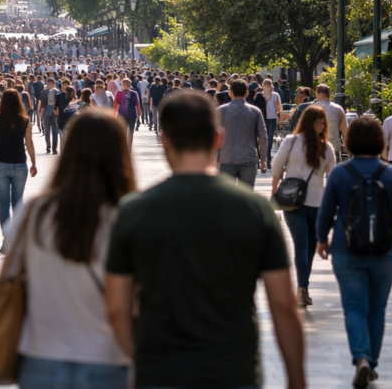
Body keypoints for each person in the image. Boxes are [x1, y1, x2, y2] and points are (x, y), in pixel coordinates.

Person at [105, 91, 305, 389]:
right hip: (233, 371)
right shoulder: (254, 210)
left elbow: (117, 308)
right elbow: (282, 305)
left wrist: (141, 361)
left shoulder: (134, 212)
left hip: (161, 371)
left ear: (164, 141)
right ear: (218, 139)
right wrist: (296, 380)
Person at [5, 110, 134, 389]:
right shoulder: (126, 217)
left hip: (40, 357)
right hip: (106, 359)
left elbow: (8, 278)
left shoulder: (34, 212)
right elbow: (121, 304)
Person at [316, 117, 392, 388]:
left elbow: (326, 211)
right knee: (377, 309)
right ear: (379, 141)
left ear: (349, 142)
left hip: (346, 250)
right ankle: (371, 363)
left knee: (354, 307)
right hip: (387, 252)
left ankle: (360, 356)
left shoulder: (340, 173)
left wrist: (322, 239)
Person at [270, 105, 336, 307]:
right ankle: (303, 287)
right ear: (310, 122)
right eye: (319, 121)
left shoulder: (292, 142)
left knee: (304, 246)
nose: (322, 124)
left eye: (323, 121)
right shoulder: (327, 147)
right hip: (314, 202)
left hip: (294, 201)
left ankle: (302, 287)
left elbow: (276, 166)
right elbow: (331, 176)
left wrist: (277, 187)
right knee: (304, 246)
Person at [0, 89, 38, 253]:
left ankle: (7, 240)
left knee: (4, 204)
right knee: (18, 203)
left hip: (0, 164)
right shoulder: (25, 120)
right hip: (20, 163)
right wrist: (33, 162)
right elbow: (29, 144)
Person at [217, 79, 268, 189]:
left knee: (227, 196)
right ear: (247, 93)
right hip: (248, 158)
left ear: (230, 92)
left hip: (226, 159)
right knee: (246, 197)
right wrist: (263, 158)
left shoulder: (221, 110)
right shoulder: (255, 111)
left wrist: (214, 157)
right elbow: (263, 136)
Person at [314, 84, 349, 160]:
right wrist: (349, 152)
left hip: (315, 150)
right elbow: (345, 133)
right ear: (329, 94)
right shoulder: (338, 109)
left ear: (316, 93)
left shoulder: (311, 109)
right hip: (334, 150)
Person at [114, 78, 141, 148]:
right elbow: (137, 105)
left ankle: (124, 147)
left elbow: (115, 105)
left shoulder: (119, 93)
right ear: (130, 85)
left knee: (123, 132)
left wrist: (114, 115)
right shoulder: (134, 93)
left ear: (122, 84)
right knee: (131, 131)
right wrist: (139, 116)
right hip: (132, 115)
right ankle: (129, 147)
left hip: (121, 115)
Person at [261, 78, 283, 163]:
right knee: (265, 137)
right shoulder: (261, 95)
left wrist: (277, 106)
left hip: (273, 118)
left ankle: (268, 155)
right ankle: (265, 155)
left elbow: (279, 109)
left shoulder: (275, 95)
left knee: (270, 137)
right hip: (264, 118)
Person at [39, 78, 62, 155]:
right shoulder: (43, 92)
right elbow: (41, 102)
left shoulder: (57, 91)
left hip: (55, 112)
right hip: (46, 112)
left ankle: (54, 148)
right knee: (47, 130)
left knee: (55, 130)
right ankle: (48, 146)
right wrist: (40, 111)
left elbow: (59, 102)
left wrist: (58, 111)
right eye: (48, 83)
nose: (50, 84)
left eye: (51, 83)